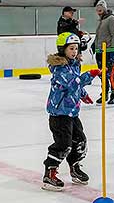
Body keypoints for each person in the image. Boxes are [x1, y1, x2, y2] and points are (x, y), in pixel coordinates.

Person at [42, 32, 101, 191]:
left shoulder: (75, 64)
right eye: (71, 48)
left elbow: (76, 87)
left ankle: (74, 167)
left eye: (76, 48)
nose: (74, 51)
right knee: (63, 144)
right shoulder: (59, 68)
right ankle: (50, 173)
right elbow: (72, 83)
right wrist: (91, 74)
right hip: (59, 114)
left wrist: (83, 95)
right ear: (63, 49)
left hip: (72, 112)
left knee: (79, 141)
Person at [93, 0, 114, 105]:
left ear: (104, 8)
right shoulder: (101, 20)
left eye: (101, 8)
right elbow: (99, 35)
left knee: (110, 73)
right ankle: (104, 93)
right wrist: (94, 45)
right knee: (102, 73)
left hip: (108, 51)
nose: (99, 11)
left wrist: (112, 49)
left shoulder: (111, 19)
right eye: (97, 9)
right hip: (99, 51)